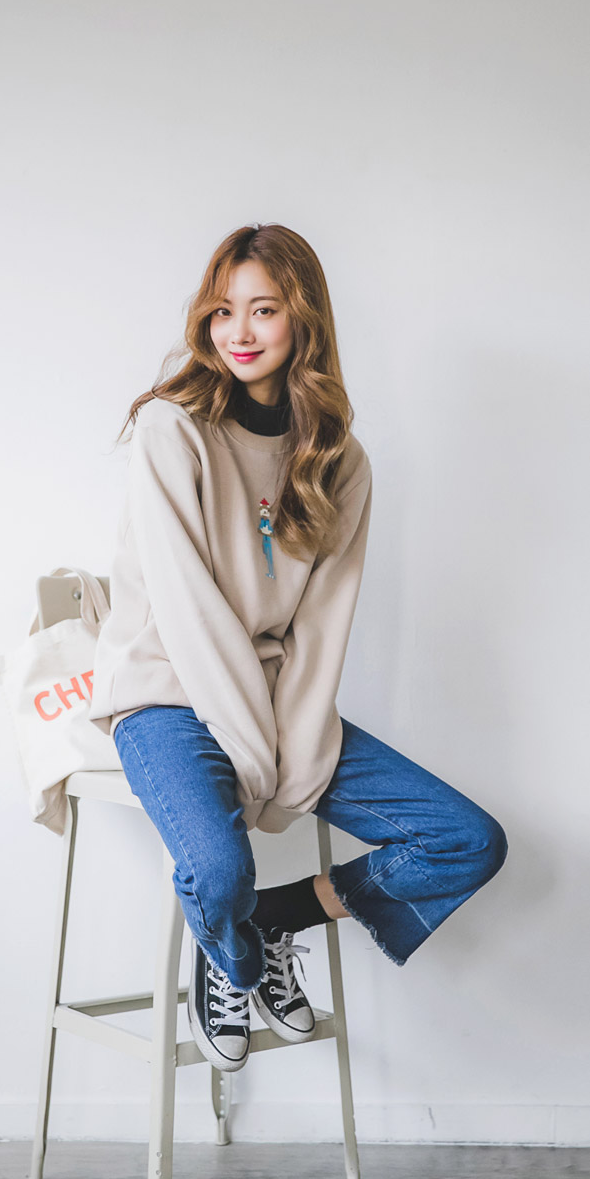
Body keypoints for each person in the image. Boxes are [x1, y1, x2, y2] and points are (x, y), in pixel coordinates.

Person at [89, 222, 508, 1074]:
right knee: (216, 870)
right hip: (165, 694)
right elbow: (187, 611)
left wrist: (299, 746)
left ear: (303, 319)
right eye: (222, 310)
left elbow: (320, 628)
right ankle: (235, 957)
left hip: (276, 700)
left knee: (467, 839)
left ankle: (271, 918)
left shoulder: (339, 462)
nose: (238, 331)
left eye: (264, 309)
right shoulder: (173, 430)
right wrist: (255, 751)